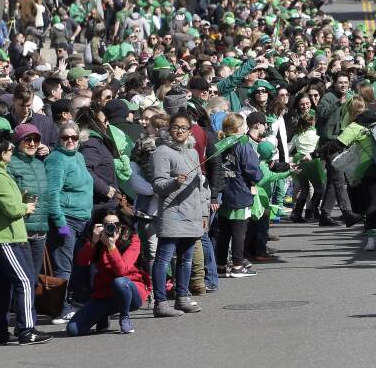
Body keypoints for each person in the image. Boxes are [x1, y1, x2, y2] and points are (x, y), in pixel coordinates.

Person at [0, 130, 52, 345]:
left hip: (4, 235)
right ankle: (26, 330)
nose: (12, 151)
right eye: (9, 149)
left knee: (3, 285)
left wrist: (20, 201)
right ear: (2, 154)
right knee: (24, 281)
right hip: (2, 237)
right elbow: (11, 208)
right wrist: (25, 207)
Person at [314, 96, 376, 251]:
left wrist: (314, 154)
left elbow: (335, 145)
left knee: (372, 203)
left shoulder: (354, 127)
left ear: (350, 111)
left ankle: (371, 241)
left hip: (370, 169)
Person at [150, 112, 209, 317]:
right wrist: (175, 182)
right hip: (172, 212)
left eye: (184, 128)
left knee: (186, 259)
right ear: (169, 128)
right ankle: (160, 302)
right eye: (176, 127)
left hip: (193, 213)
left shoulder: (193, 153)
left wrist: (204, 213)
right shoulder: (162, 151)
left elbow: (201, 186)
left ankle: (182, 298)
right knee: (164, 258)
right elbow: (158, 185)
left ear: (190, 131)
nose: (180, 131)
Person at [66, 208, 150, 335]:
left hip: (130, 290)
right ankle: (103, 315)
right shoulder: (97, 239)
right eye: (107, 225)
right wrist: (93, 242)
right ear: (100, 226)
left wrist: (111, 246)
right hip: (105, 292)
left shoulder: (132, 239)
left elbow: (121, 271)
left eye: (116, 224)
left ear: (121, 226)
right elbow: (82, 262)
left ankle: (124, 317)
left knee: (119, 282)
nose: (112, 228)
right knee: (73, 330)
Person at [44, 122, 92, 325]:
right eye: (65, 138)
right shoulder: (56, 159)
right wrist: (60, 222)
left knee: (76, 266)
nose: (70, 141)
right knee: (63, 268)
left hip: (82, 219)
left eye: (74, 137)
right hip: (66, 219)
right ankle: (60, 308)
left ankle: (70, 303)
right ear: (58, 139)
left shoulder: (78, 156)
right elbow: (51, 194)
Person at [215, 113, 262, 278]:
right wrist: (258, 178)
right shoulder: (242, 144)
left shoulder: (219, 144)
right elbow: (253, 170)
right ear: (238, 128)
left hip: (222, 192)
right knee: (239, 232)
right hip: (240, 191)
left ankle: (221, 265)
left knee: (224, 232)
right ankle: (237, 266)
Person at [6, 124, 52, 283]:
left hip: (40, 231)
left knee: (33, 278)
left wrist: (61, 228)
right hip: (21, 231)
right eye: (27, 139)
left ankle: (30, 301)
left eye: (36, 139)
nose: (32, 143)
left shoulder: (40, 164)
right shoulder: (10, 164)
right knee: (22, 280)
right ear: (18, 142)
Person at [315, 72, 362, 227]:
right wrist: (338, 103)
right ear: (334, 83)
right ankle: (347, 212)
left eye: (346, 82)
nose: (343, 85)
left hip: (342, 141)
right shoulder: (328, 97)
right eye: (340, 82)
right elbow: (321, 113)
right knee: (339, 177)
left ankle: (325, 215)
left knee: (333, 179)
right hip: (329, 142)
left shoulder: (350, 96)